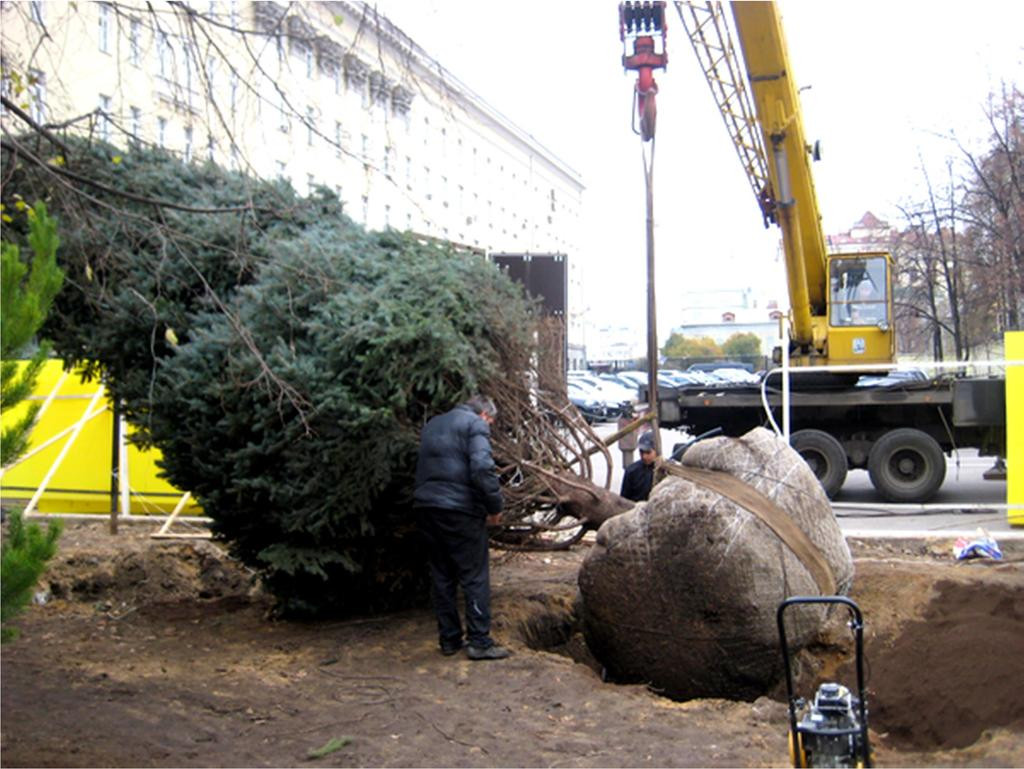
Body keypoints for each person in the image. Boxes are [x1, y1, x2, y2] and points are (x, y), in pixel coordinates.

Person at [413, 395, 511, 661]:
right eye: (490, 421)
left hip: (425, 507)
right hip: (459, 511)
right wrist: (494, 507)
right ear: (483, 415)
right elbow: (481, 468)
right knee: (474, 575)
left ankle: (449, 640)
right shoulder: (475, 425)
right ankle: (479, 642)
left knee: (442, 575)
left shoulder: (433, 423)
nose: (489, 426)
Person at [620, 431, 658, 501]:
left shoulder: (667, 471)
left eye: (648, 452)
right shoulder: (631, 471)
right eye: (641, 452)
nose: (644, 456)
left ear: (657, 451)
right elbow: (623, 500)